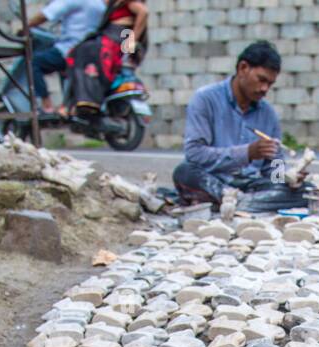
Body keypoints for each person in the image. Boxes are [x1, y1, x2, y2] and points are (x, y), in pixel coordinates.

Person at [172, 41, 306, 211]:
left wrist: (291, 177)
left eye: (270, 84)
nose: (265, 89)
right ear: (243, 68)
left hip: (251, 186)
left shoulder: (268, 114)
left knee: (305, 191)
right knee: (184, 172)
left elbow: (274, 170)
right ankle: (241, 202)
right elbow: (195, 154)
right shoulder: (205, 99)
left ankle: (239, 204)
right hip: (214, 180)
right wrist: (247, 153)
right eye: (261, 80)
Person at [64, 0, 149, 116]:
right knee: (79, 51)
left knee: (85, 50)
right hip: (112, 36)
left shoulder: (127, 2)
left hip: (114, 37)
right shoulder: (116, 4)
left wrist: (132, 39)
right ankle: (78, 103)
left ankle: (88, 100)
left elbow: (143, 12)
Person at [23, 0, 107, 115]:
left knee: (33, 62)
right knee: (63, 68)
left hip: (70, 49)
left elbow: (45, 15)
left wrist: (25, 26)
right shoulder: (99, 3)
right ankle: (67, 105)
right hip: (93, 51)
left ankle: (46, 104)